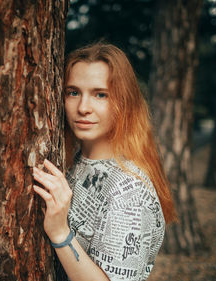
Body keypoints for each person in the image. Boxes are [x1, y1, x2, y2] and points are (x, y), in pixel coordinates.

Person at [32, 42, 177, 281]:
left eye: (100, 94)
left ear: (123, 103)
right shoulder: (74, 160)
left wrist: (60, 233)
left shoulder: (129, 190)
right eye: (73, 92)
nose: (83, 108)